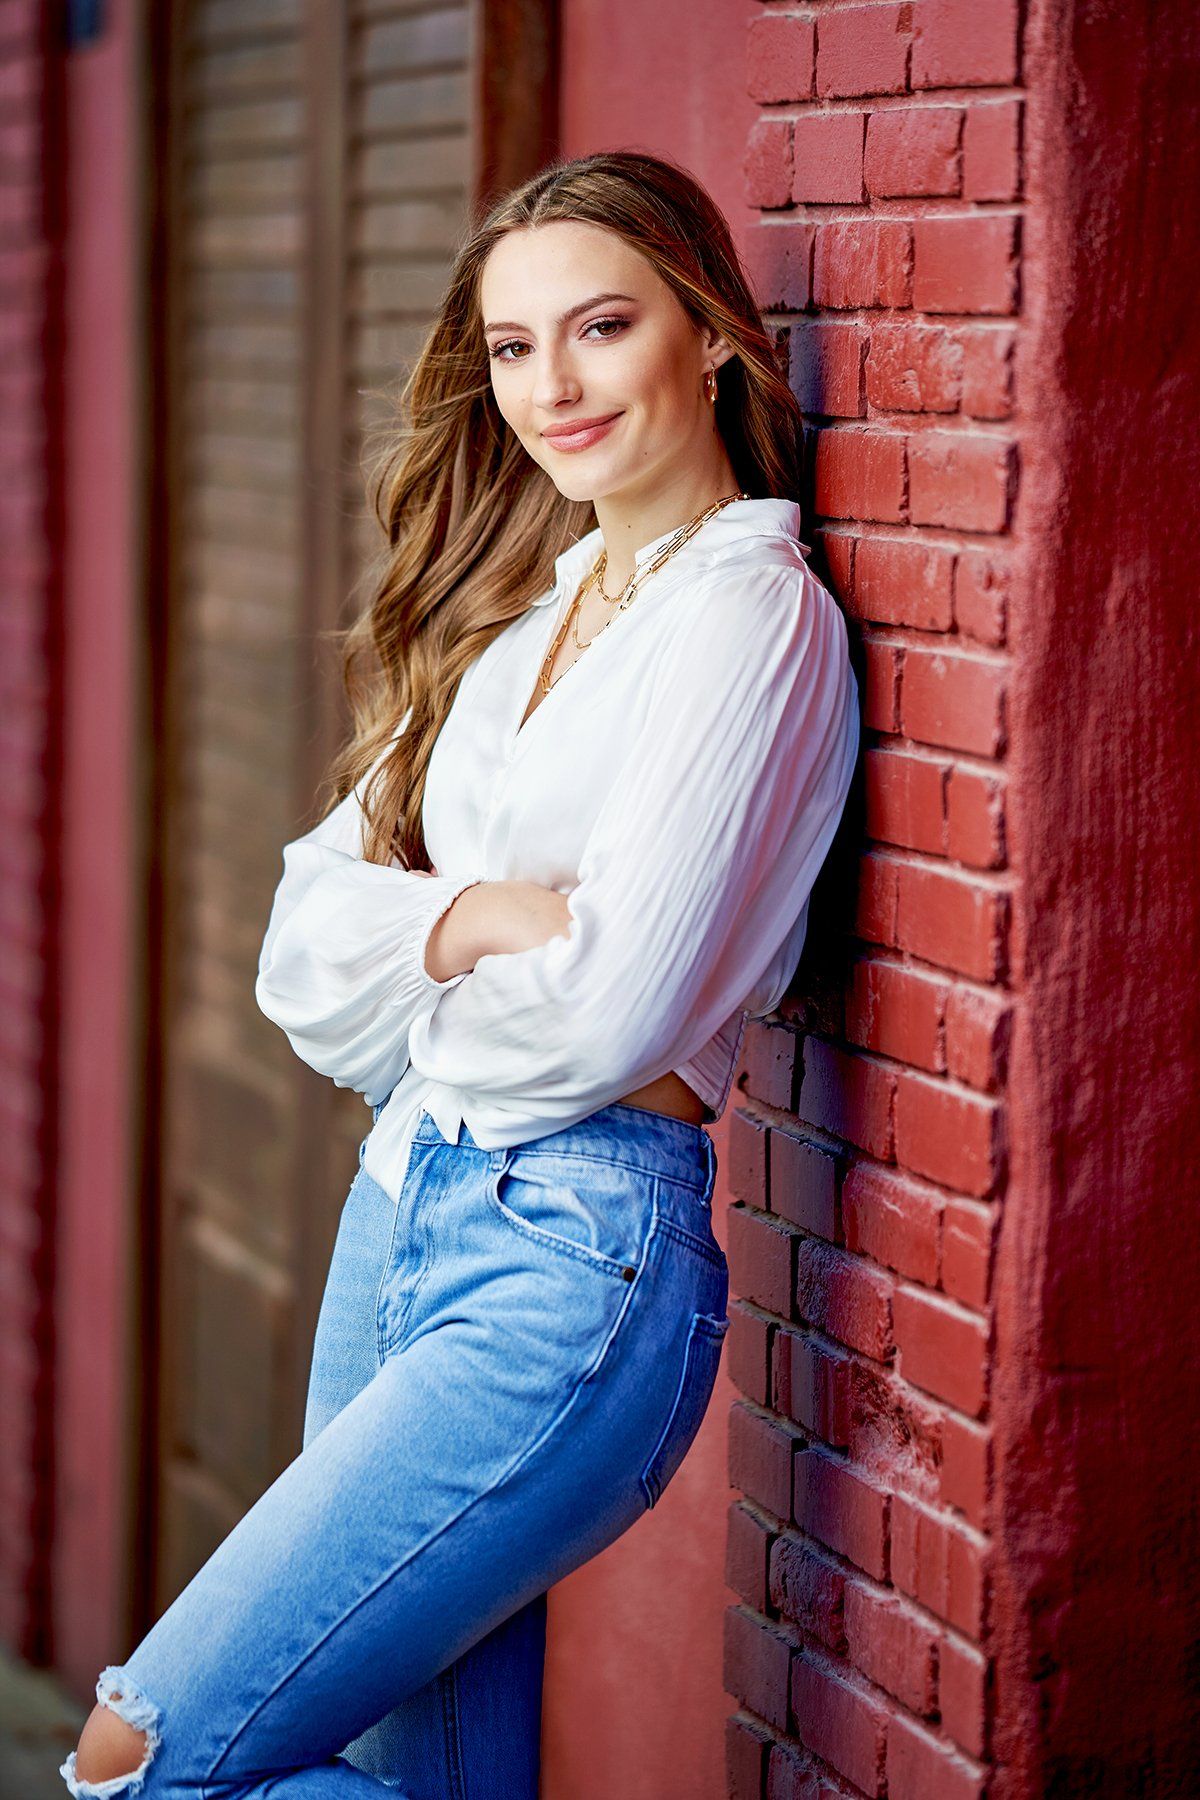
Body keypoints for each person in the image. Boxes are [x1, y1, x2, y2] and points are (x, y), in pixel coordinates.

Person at [61, 148, 859, 1800]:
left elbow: (610, 1015)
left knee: (143, 1756)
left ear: (709, 337)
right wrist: (477, 917)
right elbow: (301, 951)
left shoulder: (749, 621)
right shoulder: (526, 625)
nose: (552, 387)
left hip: (573, 1256)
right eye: (511, 347)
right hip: (400, 1212)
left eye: (601, 327)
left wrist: (424, 977)